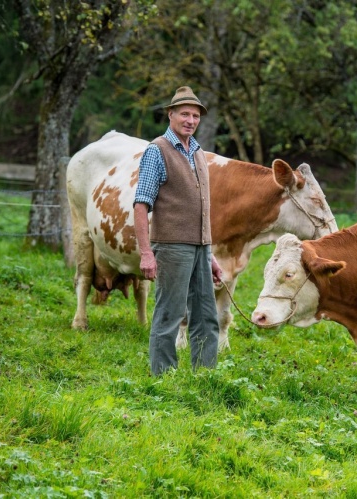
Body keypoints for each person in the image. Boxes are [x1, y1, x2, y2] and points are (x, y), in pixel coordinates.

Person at [133, 86, 223, 375]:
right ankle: (163, 377)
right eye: (185, 113)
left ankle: (205, 375)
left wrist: (209, 253)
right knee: (169, 315)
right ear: (170, 115)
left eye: (195, 115)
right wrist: (146, 253)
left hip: (200, 247)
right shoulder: (156, 151)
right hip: (171, 247)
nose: (190, 120)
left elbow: (200, 206)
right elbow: (140, 205)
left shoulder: (197, 152)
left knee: (207, 316)